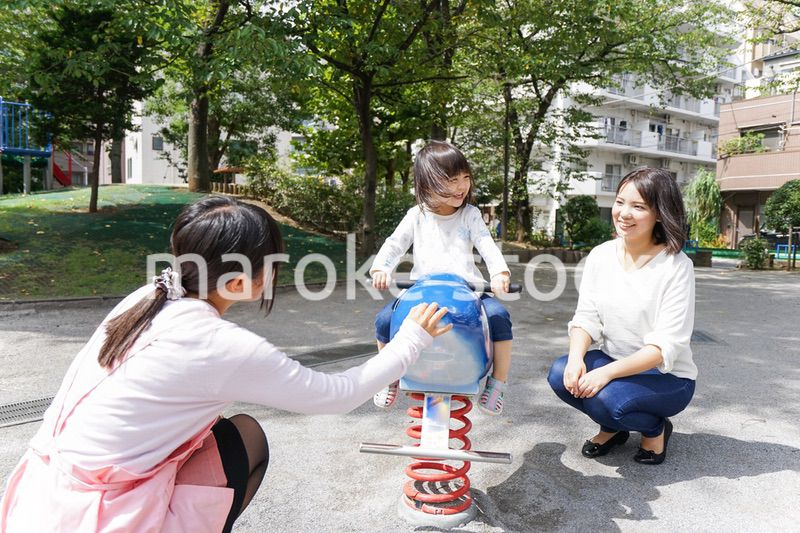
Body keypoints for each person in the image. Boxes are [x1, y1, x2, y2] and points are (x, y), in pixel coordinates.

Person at [0, 196, 451, 532]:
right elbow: (335, 396)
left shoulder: (148, 297)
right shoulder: (218, 345)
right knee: (247, 436)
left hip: (39, 500)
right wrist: (411, 339)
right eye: (272, 263)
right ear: (239, 280)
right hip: (103, 518)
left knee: (219, 431)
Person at [547, 167, 696, 465]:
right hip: (615, 360)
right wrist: (577, 359)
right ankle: (613, 429)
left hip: (666, 377)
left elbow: (663, 348)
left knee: (608, 400)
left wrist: (605, 374)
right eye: (620, 202)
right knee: (561, 374)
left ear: (659, 213)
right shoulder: (601, 255)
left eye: (638, 207)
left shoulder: (676, 266)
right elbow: (586, 316)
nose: (624, 213)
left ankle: (655, 429)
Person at [370, 140, 513, 415]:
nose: (461, 186)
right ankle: (388, 375)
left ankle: (498, 381)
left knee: (498, 317)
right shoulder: (417, 216)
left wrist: (499, 272)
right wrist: (381, 269)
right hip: (422, 293)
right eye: (451, 180)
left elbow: (486, 245)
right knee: (384, 320)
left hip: (467, 291)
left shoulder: (470, 215)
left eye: (465, 178)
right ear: (426, 185)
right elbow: (394, 244)